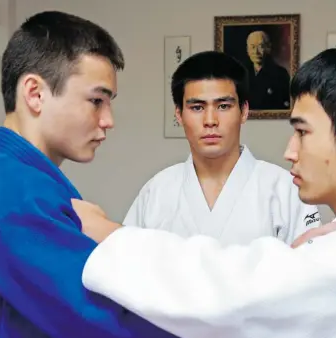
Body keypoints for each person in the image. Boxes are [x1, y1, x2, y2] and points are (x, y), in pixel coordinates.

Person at [76, 44, 336, 338]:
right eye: (196, 107)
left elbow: (242, 291)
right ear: (179, 115)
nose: (289, 151)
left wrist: (113, 236)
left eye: (302, 131)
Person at [0, 10, 203, 338]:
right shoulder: (16, 193)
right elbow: (100, 323)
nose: (107, 120)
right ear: (35, 93)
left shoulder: (32, 181)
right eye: (96, 101)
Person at [124, 50, 321, 246]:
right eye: (197, 108)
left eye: (223, 106)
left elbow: (308, 269)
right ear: (179, 114)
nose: (210, 121)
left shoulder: (285, 190)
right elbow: (126, 265)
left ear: (244, 111)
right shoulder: (156, 193)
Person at [245, 30, 291, 110]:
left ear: (268, 48)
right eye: (252, 47)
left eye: (260, 46)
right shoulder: (241, 73)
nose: (256, 52)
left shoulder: (280, 74)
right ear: (247, 50)